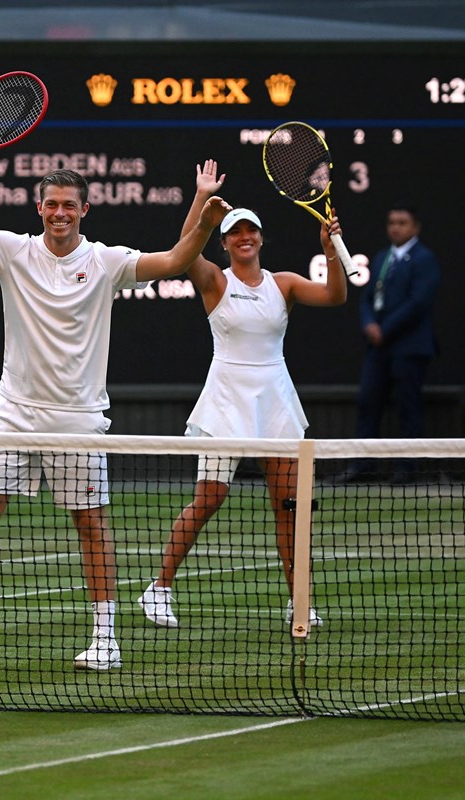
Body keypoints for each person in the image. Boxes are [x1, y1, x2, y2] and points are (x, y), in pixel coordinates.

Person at [0, 145, 232, 671]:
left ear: (85, 210)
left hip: (78, 419)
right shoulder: (12, 251)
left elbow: (175, 261)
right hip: (13, 412)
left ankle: (106, 640)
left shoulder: (105, 262)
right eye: (52, 204)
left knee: (90, 523)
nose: (60, 212)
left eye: (69, 205)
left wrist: (202, 209)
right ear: (39, 208)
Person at [138, 160, 347, 631]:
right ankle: (159, 588)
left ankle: (299, 600)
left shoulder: (285, 284)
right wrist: (201, 199)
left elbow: (336, 296)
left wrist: (331, 250)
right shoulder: (214, 280)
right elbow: (181, 252)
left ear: (260, 238)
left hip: (274, 397)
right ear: (226, 241)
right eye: (235, 232)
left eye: (250, 230)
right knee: (210, 497)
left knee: (288, 505)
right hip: (227, 397)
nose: (244, 238)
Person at [337, 205, 441, 484]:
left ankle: (407, 469)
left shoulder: (424, 259)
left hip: (409, 347)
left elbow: (418, 303)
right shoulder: (382, 257)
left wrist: (386, 328)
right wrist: (369, 324)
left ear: (415, 226)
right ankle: (363, 466)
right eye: (392, 222)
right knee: (368, 403)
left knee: (408, 407)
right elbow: (367, 298)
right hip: (378, 348)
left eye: (402, 222)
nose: (396, 227)